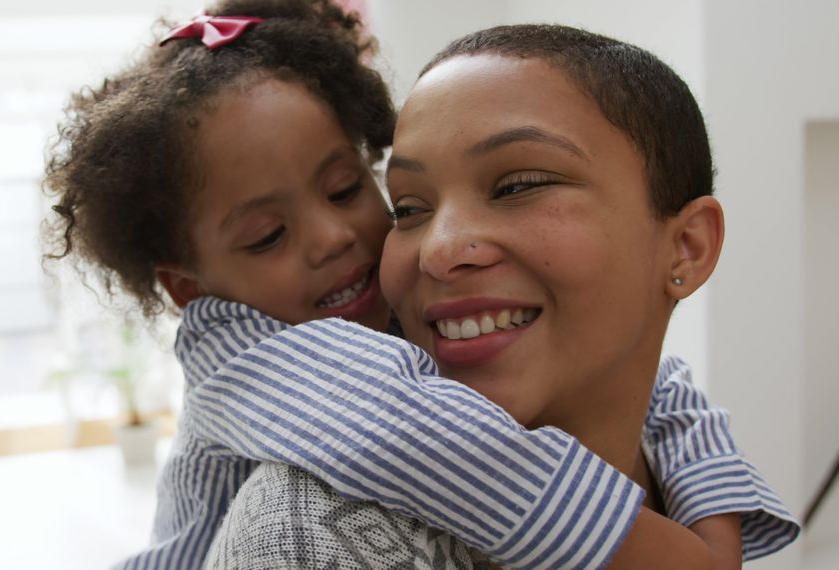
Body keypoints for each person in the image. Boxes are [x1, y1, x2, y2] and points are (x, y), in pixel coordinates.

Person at [41, 1, 797, 567]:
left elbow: (667, 392)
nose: (336, 237)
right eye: (267, 235)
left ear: (688, 246)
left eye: (351, 192)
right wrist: (666, 554)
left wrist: (715, 530)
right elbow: (432, 442)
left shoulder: (404, 316)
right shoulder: (260, 363)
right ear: (188, 287)